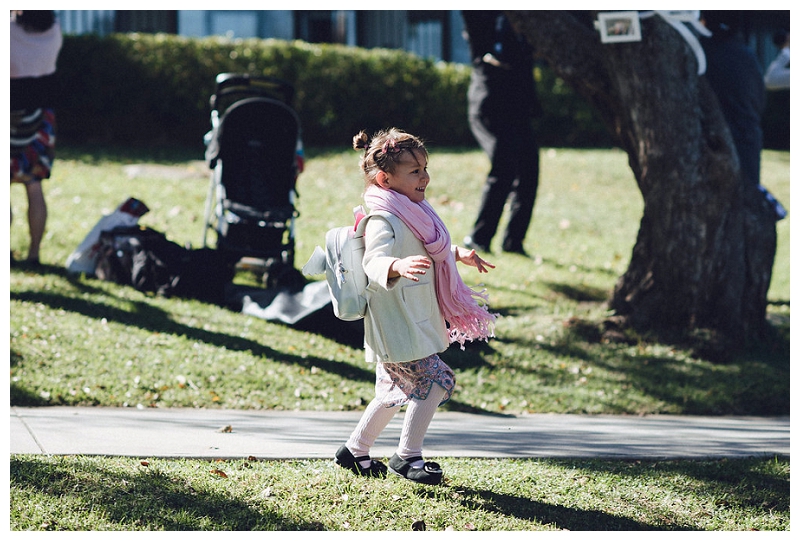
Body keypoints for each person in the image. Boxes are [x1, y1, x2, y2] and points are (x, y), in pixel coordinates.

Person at [334, 128, 496, 485]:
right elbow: (372, 262)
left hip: (408, 318)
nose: (425, 177)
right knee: (437, 380)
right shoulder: (383, 218)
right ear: (385, 179)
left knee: (393, 390)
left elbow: (424, 248)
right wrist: (396, 266)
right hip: (396, 321)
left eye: (425, 168)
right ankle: (408, 457)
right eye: (415, 171)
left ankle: (354, 451)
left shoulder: (412, 211)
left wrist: (456, 255)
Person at [461, 11, 542, 255]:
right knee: (504, 168)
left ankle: (513, 242)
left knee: (529, 172)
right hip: (491, 106)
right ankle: (478, 238)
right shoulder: (484, 20)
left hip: (519, 106)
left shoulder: (531, 20)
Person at [10, 10, 63, 266]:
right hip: (40, 117)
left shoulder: (9, 32)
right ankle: (34, 254)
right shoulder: (54, 31)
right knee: (34, 186)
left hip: (10, 114)